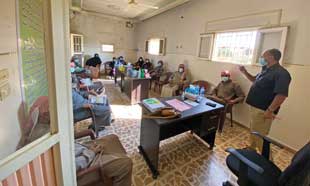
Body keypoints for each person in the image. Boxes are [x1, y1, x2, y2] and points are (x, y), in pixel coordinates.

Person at [239, 48, 291, 153]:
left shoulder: (281, 73)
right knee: (254, 131)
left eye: (263, 56)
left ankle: (268, 162)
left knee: (260, 136)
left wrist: (270, 110)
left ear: (271, 57)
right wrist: (244, 72)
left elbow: (281, 95)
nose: (261, 58)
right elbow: (254, 80)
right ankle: (251, 150)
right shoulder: (266, 69)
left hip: (264, 110)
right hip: (255, 107)